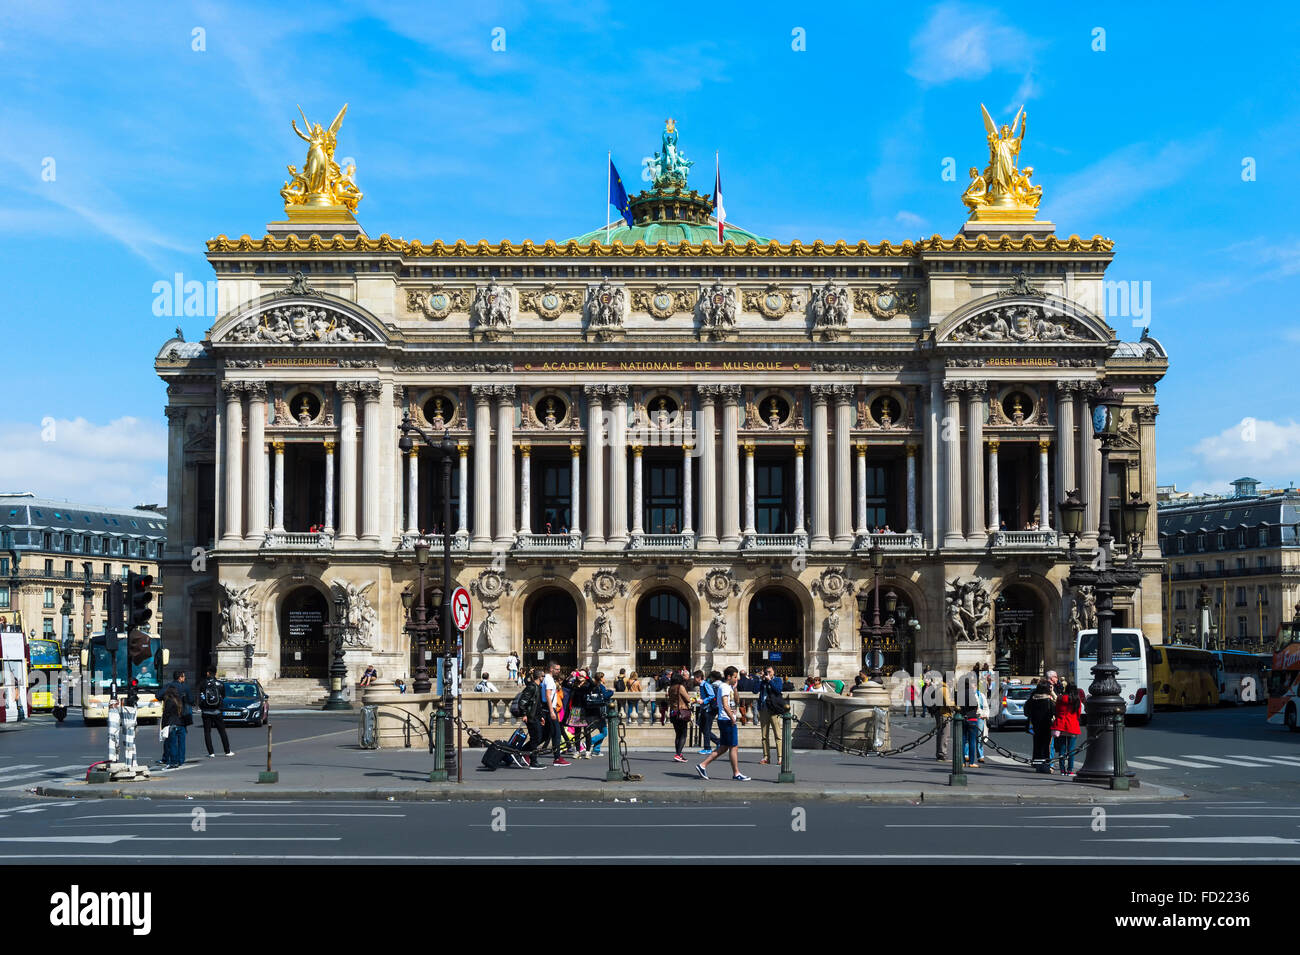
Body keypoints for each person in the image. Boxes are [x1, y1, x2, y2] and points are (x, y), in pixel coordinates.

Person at [697, 666, 749, 781]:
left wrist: (735, 689)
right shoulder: (724, 687)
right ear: (729, 676)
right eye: (735, 677)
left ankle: (702, 765)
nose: (737, 679)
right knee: (733, 747)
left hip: (727, 719)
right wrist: (732, 717)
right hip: (727, 720)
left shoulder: (729, 687)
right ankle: (736, 773)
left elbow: (736, 701)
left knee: (724, 747)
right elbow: (725, 705)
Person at [154, 670, 193, 767]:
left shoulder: (169, 686)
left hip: (171, 718)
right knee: (181, 741)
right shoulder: (186, 687)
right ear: (180, 677)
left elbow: (158, 695)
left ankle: (170, 759)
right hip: (183, 718)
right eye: (183, 677)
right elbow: (191, 701)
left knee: (171, 741)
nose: (184, 679)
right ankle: (181, 760)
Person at [1025, 673, 1059, 773]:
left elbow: (1026, 712)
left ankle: (1038, 764)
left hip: (1036, 725)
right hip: (1047, 725)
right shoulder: (1049, 701)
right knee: (1046, 746)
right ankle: (1045, 765)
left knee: (1037, 744)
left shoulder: (1032, 699)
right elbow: (1056, 710)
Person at [197, 667, 234, 758]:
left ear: (208, 673)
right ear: (215, 673)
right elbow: (223, 696)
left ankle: (211, 753)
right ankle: (227, 751)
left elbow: (200, 696)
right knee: (222, 731)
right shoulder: (220, 684)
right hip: (217, 711)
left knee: (207, 732)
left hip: (205, 712)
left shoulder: (202, 683)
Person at [539, 661, 571, 766]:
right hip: (550, 710)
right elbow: (548, 695)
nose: (559, 671)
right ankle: (557, 758)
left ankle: (526, 752)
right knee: (556, 734)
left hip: (548, 709)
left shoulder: (548, 679)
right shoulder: (548, 680)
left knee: (545, 735)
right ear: (551, 669)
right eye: (557, 669)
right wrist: (552, 711)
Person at [756, 665, 786, 765]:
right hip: (763, 709)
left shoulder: (777, 680)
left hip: (774, 710)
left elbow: (778, 690)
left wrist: (770, 681)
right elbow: (755, 690)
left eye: (769, 671)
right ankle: (766, 757)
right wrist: (760, 680)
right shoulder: (763, 681)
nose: (767, 673)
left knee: (778, 735)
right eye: (766, 671)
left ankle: (780, 758)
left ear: (773, 672)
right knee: (764, 736)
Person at [1054, 679, 1084, 776]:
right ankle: (1070, 770)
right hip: (1072, 725)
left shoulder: (1061, 698)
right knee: (1071, 750)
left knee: (1062, 749)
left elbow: (1057, 710)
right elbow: (1078, 713)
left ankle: (1062, 770)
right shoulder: (1077, 700)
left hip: (1062, 724)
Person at [585, 672, 614, 756]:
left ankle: (596, 750)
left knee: (602, 731)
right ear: (601, 678)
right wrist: (611, 692)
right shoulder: (600, 686)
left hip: (593, 710)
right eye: (603, 678)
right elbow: (605, 696)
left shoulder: (594, 686)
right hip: (599, 712)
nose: (604, 679)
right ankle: (588, 743)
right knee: (604, 732)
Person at [665, 673, 693, 761]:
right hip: (681, 712)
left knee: (678, 734)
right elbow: (688, 699)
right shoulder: (680, 687)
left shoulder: (671, 688)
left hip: (673, 712)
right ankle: (678, 754)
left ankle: (678, 754)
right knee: (684, 734)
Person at [929, 671, 954, 761]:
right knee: (945, 735)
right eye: (952, 680)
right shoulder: (945, 689)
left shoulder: (940, 687)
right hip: (944, 713)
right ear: (949, 680)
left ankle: (939, 753)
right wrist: (955, 704)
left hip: (939, 713)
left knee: (940, 734)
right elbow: (948, 702)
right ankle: (943, 754)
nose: (952, 681)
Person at [695, 669, 720, 755]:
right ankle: (718, 742)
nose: (694, 679)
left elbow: (712, 695)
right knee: (702, 727)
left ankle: (707, 748)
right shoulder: (702, 685)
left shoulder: (706, 684)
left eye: (695, 677)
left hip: (708, 709)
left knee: (706, 728)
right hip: (704, 709)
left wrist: (703, 701)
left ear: (698, 678)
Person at [160, 685, 184, 769]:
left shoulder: (169, 701)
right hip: (179, 724)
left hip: (171, 724)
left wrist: (163, 726)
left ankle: (173, 762)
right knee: (178, 744)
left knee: (172, 745)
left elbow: (166, 714)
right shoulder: (179, 701)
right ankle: (178, 761)